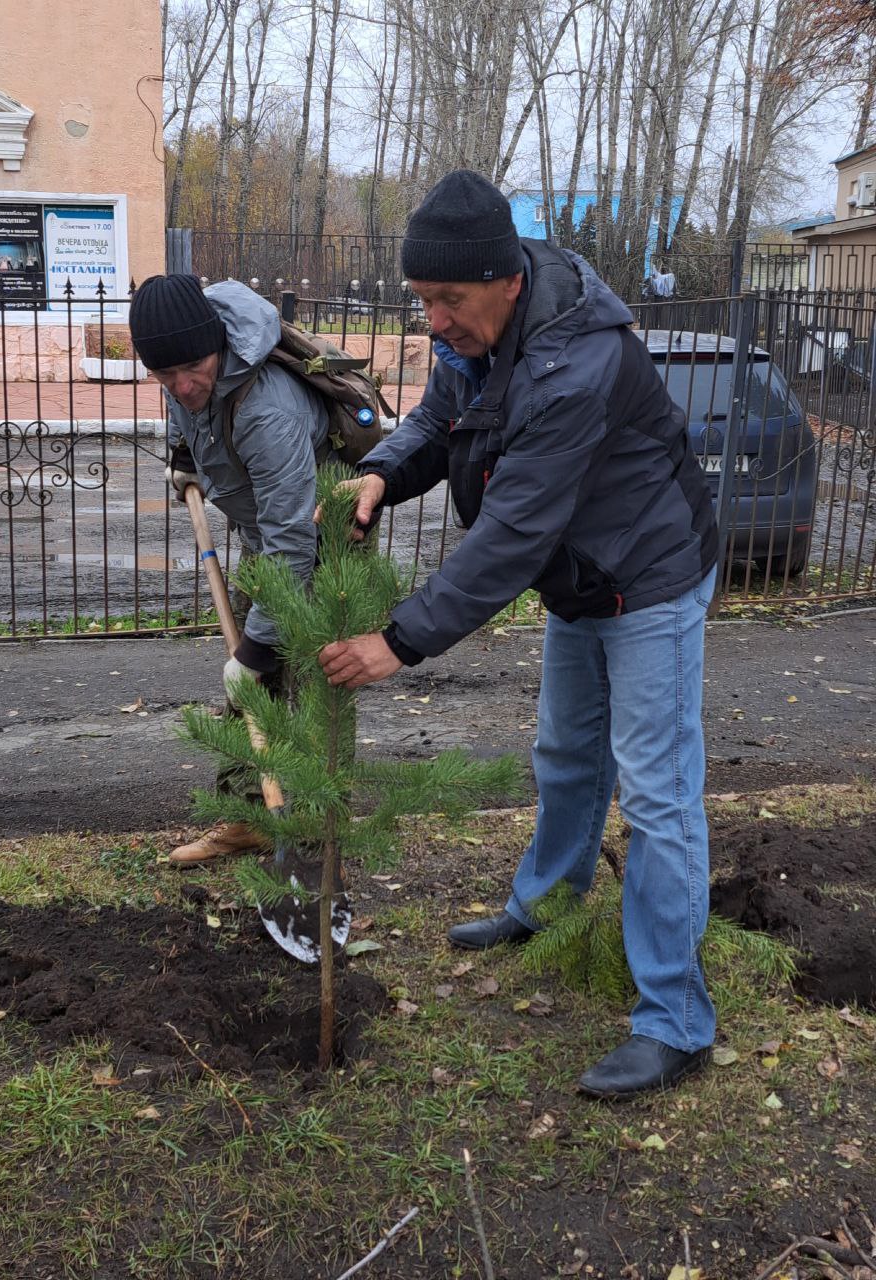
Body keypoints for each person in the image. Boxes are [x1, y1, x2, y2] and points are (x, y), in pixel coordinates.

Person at [318, 170, 719, 1099]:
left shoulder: (578, 364)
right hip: (581, 582)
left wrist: (400, 642)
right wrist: (382, 471)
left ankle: (676, 1021)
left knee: (656, 793)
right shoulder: (485, 322)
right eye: (422, 301)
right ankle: (544, 905)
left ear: (504, 280)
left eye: (446, 301)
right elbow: (439, 416)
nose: (433, 321)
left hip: (648, 578)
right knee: (567, 753)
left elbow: (513, 535)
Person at [129, 273, 330, 865]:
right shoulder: (183, 371)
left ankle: (311, 822)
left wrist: (256, 652)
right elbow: (183, 409)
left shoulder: (267, 410)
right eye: (165, 375)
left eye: (194, 368)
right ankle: (252, 816)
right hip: (266, 529)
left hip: (323, 537)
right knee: (253, 679)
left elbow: (296, 542)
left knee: (302, 677)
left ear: (216, 343)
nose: (183, 386)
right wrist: (184, 457)